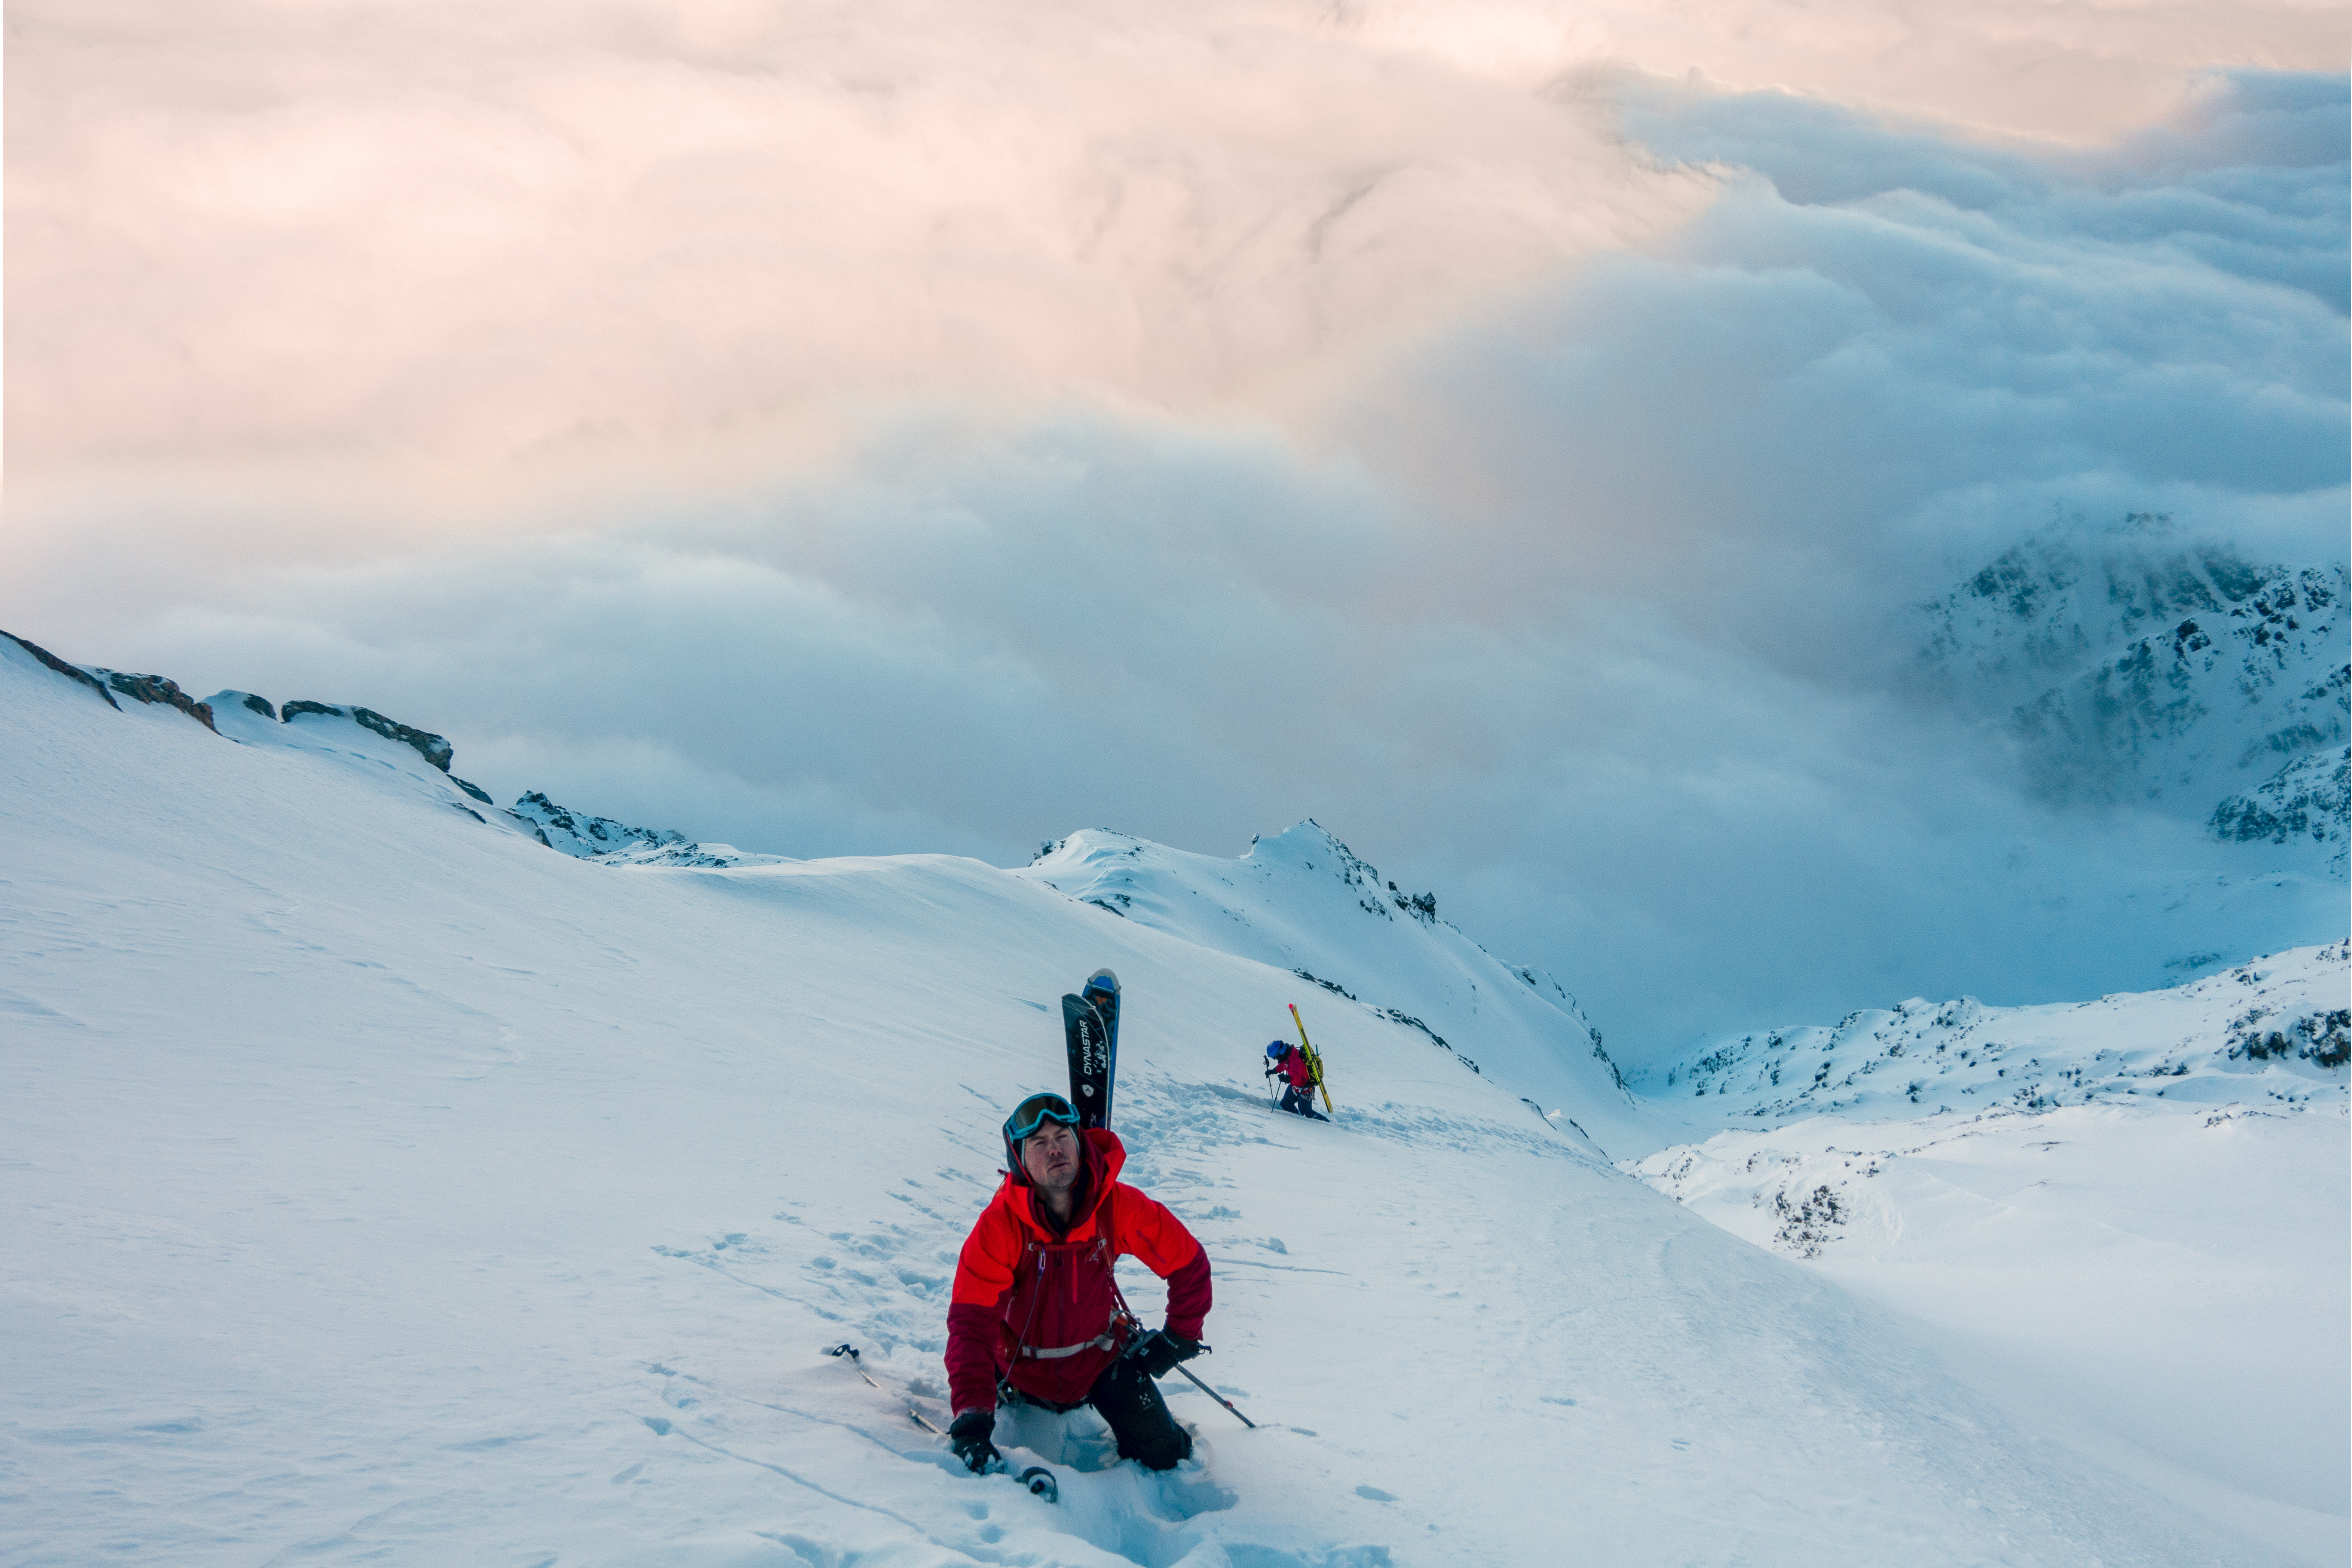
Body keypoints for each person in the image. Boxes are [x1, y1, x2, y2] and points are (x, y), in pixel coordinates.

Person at [943, 1091, 1210, 1476]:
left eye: (1063, 1138)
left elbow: (1188, 1264)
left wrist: (1181, 1336)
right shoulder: (1000, 1226)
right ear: (1019, 1160)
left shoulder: (1116, 1206)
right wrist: (971, 1416)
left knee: (1167, 1459)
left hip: (1099, 1363)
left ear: (1080, 1144)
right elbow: (971, 1325)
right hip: (1019, 1371)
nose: (1055, 1150)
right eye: (1039, 1143)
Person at [1265, 1041, 1329, 1121]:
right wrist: (1273, 1071)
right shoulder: (1287, 1056)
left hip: (1306, 1088)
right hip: (1295, 1086)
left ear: (1280, 1053)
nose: (1276, 1059)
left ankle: (1325, 1123)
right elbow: (1283, 1065)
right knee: (1286, 1104)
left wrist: (1287, 1079)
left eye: (1275, 1057)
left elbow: (1297, 1077)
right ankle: (1297, 1119)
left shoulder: (1295, 1061)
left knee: (1306, 1112)